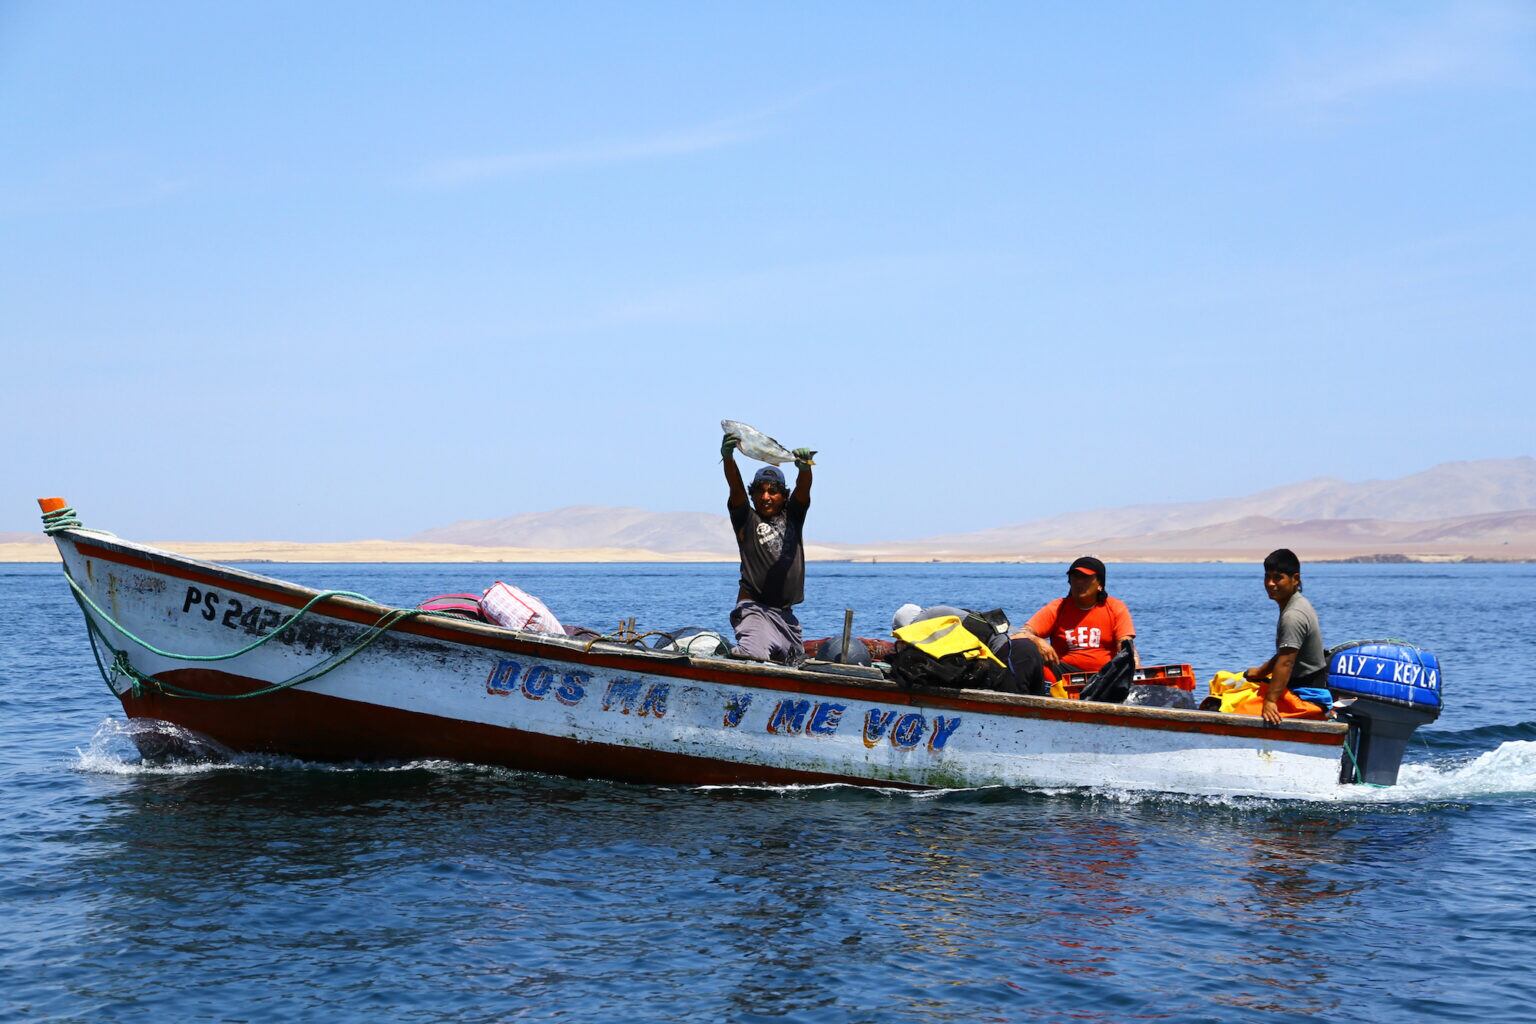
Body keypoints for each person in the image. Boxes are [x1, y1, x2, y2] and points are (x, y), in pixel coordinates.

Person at [721, 430, 815, 664]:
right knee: (753, 657)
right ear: (752, 495)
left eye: (773, 491)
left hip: (787, 618)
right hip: (755, 611)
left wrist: (805, 468)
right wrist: (729, 458)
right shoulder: (746, 519)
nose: (766, 497)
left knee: (796, 667)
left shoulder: (793, 517)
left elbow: (803, 491)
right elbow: (736, 488)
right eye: (760, 491)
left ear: (784, 496)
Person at [1244, 548, 1330, 725]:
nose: (1270, 583)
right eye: (1267, 577)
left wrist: (1270, 701)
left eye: (1277, 577)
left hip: (1304, 691)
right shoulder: (1297, 603)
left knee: (1234, 707)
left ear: (1295, 579)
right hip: (1301, 683)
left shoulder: (1293, 615)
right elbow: (1286, 653)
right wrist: (1261, 672)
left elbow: (1287, 662)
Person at [1014, 556, 1137, 680]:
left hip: (1105, 677)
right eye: (1075, 577)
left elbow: (1126, 644)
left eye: (1086, 578)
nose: (1079, 582)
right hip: (1064, 676)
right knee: (1025, 651)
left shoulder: (1115, 607)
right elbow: (1020, 634)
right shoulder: (1058, 608)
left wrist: (1134, 668)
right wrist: (1036, 641)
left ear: (1100, 583)